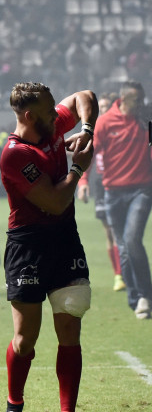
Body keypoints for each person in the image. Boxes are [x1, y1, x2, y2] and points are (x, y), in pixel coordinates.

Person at [0, 83, 97, 412]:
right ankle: (15, 403)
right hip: (27, 246)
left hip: (64, 240)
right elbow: (54, 202)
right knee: (26, 339)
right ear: (29, 116)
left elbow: (85, 96)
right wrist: (78, 168)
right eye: (49, 110)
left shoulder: (52, 126)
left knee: (69, 326)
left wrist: (86, 129)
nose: (57, 114)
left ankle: (67, 409)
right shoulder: (15, 155)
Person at [93, 81, 152, 319]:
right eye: (138, 100)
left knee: (131, 239)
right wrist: (84, 182)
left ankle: (145, 296)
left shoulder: (147, 119)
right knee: (125, 249)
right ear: (125, 99)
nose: (141, 104)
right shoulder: (105, 122)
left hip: (142, 190)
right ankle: (136, 299)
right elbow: (91, 151)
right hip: (113, 194)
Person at [77, 93, 125, 292]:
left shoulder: (120, 129)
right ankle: (119, 275)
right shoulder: (94, 133)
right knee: (111, 232)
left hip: (122, 185)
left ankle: (126, 272)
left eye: (106, 106)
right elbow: (86, 159)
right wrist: (84, 181)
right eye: (100, 106)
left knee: (122, 233)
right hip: (101, 187)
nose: (103, 109)